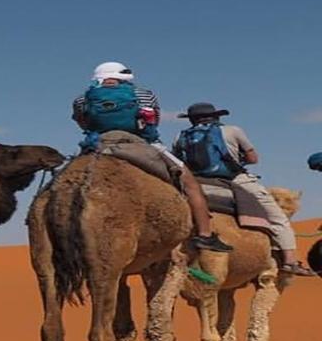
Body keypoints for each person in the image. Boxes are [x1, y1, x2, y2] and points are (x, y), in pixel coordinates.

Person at [72, 62, 230, 252]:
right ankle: (205, 235)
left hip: (97, 145)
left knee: (68, 178)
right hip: (142, 144)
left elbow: (82, 124)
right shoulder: (144, 94)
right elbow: (153, 121)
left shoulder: (82, 99)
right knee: (189, 183)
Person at [173, 102, 312, 277]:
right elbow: (253, 158)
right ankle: (290, 261)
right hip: (233, 178)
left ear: (191, 120)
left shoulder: (180, 136)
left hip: (195, 180)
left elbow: (179, 161)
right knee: (278, 219)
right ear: (216, 116)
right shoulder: (232, 131)